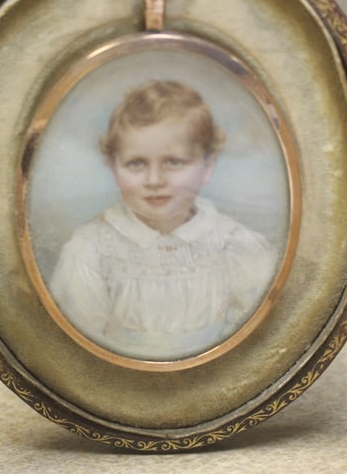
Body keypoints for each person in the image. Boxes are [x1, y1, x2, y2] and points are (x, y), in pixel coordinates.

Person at [49, 79, 277, 361]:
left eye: (174, 162)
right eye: (136, 163)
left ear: (207, 166)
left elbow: (263, 340)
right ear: (113, 167)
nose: (155, 180)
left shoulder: (234, 244)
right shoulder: (91, 250)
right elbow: (73, 352)